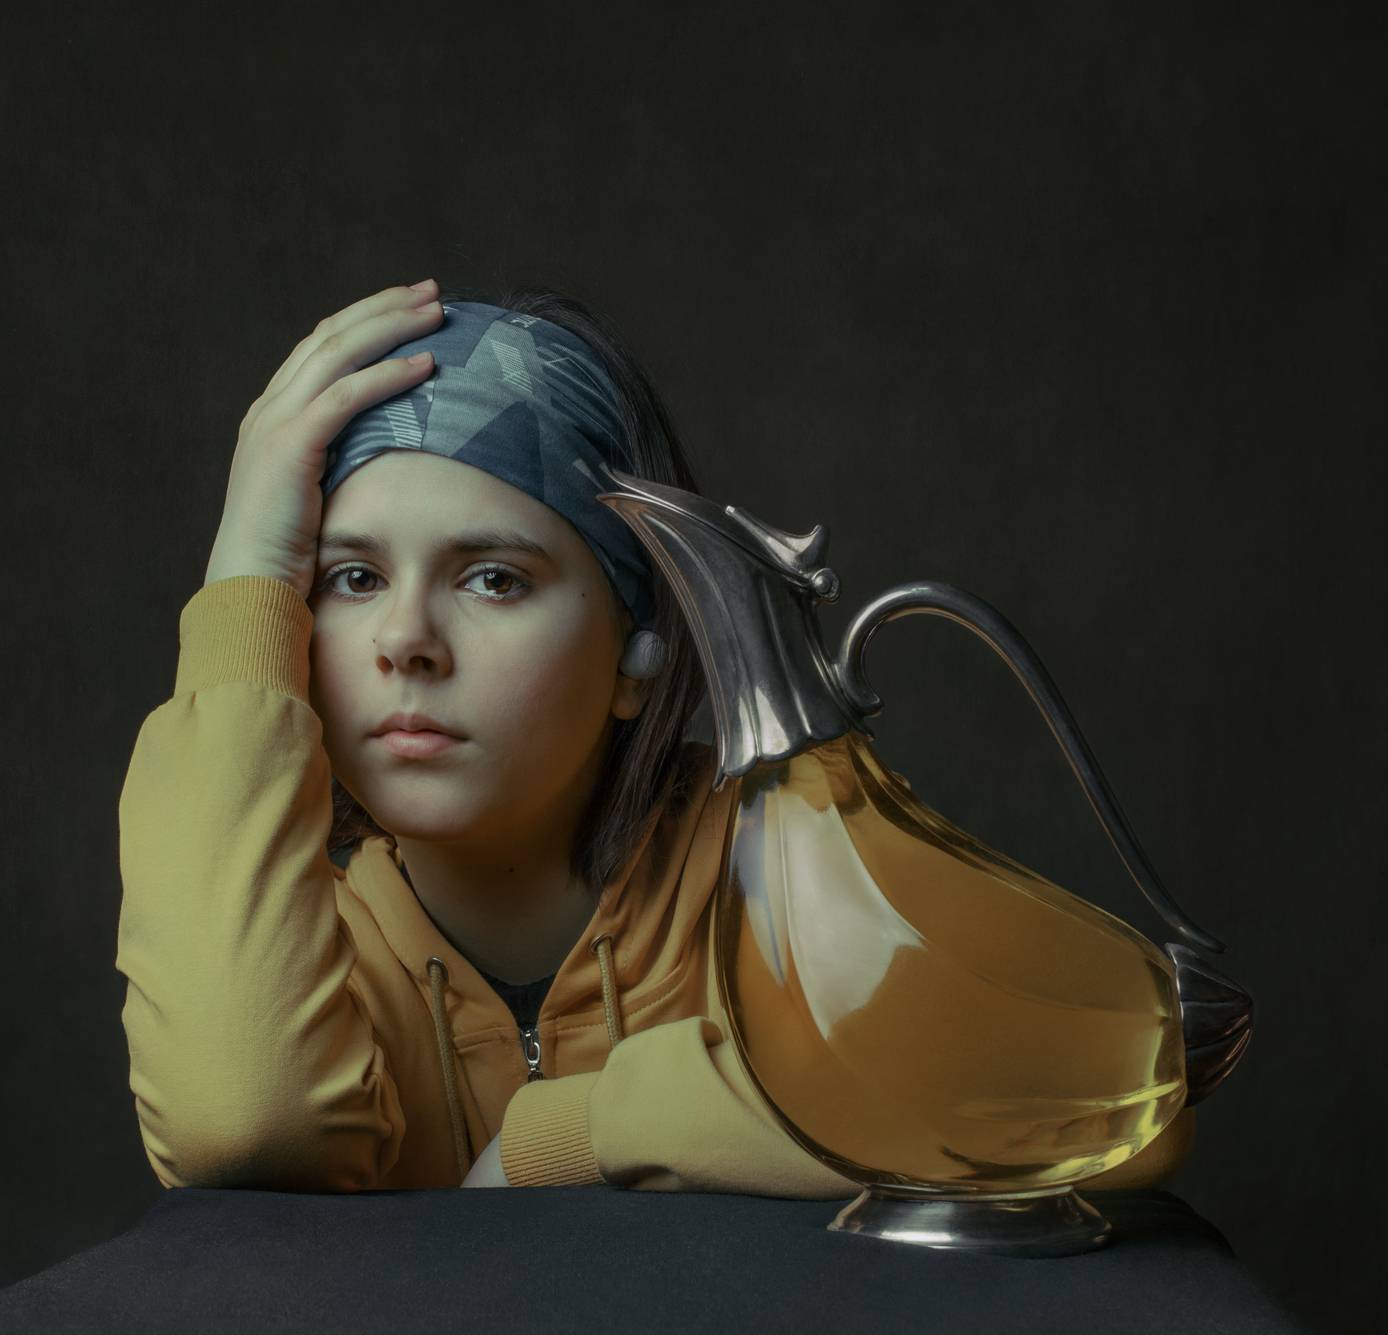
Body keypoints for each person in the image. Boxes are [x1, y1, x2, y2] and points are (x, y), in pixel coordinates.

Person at [113, 277, 1194, 1194]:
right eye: (352, 579)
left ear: (637, 652)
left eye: (493, 579)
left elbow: (1088, 1096)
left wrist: (573, 1134)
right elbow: (241, 1124)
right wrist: (245, 574)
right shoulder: (290, 939)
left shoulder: (775, 865)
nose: (405, 641)